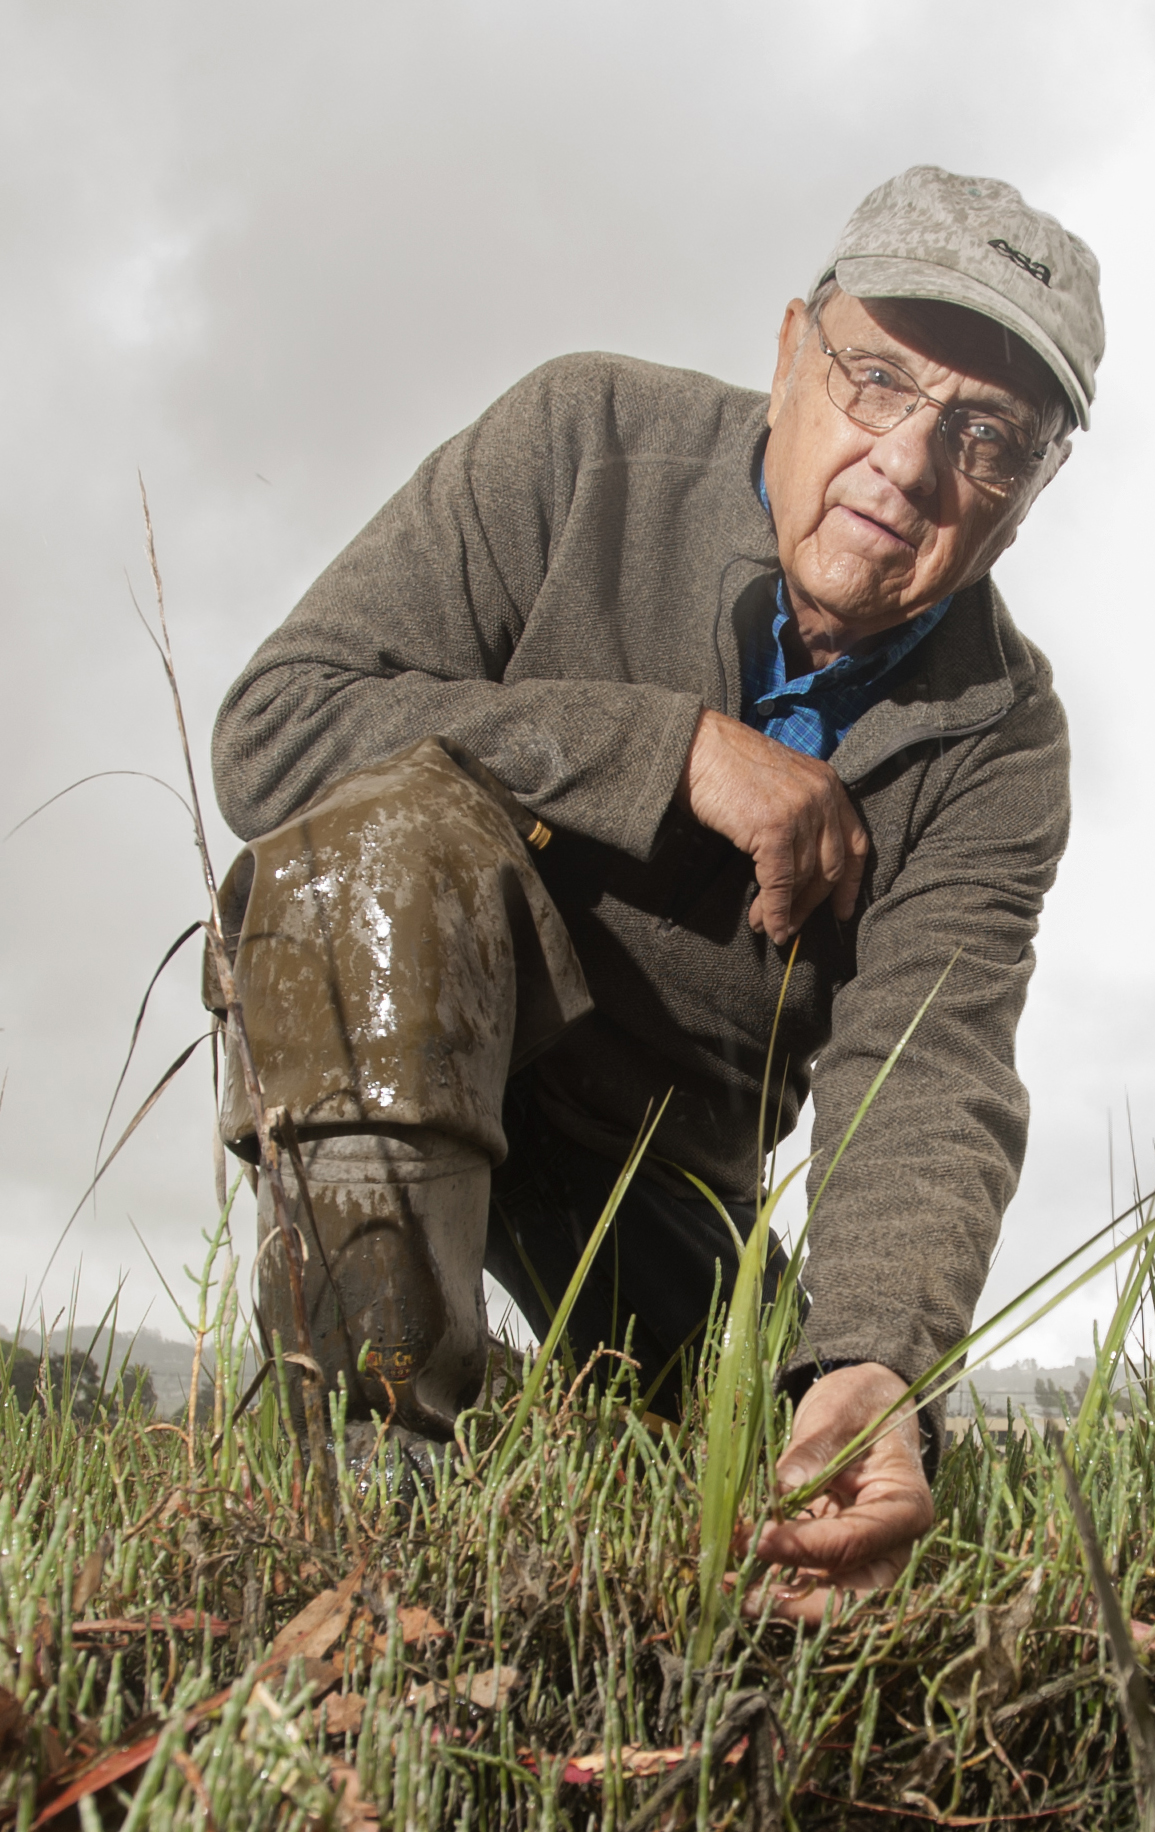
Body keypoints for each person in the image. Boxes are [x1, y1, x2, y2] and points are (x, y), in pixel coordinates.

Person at [208, 165, 1103, 1618]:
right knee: (374, 857)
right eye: (874, 380)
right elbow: (283, 723)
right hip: (422, 1037)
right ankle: (360, 1513)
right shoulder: (582, 442)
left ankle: (526, 1400)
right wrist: (670, 749)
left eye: (987, 435)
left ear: (1036, 485)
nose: (907, 463)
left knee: (776, 1496)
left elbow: (926, 1064)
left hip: (663, 1172)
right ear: (786, 353)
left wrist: (870, 1360)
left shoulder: (1002, 735)